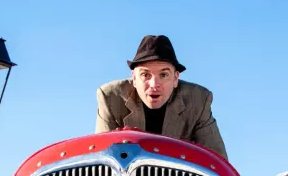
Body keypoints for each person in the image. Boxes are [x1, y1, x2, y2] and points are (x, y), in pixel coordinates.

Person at [95, 35, 228, 159]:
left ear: (175, 78)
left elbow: (217, 160)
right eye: (145, 75)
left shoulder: (198, 101)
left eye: (163, 75)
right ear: (134, 78)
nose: (154, 85)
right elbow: (102, 159)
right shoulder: (110, 98)